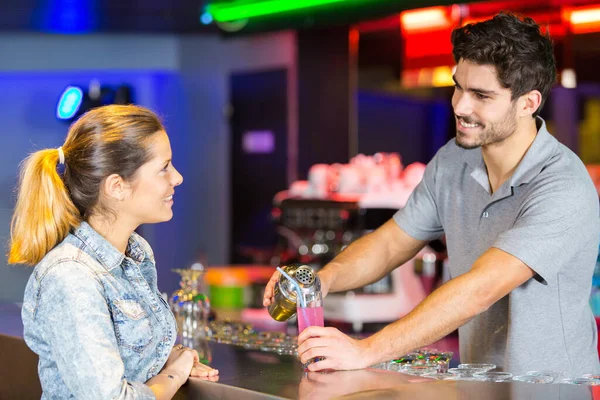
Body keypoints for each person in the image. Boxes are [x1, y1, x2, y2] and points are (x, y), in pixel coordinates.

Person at [264, 12, 600, 377]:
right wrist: (322, 280)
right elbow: (392, 243)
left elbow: (481, 288)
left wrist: (366, 350)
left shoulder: (562, 185)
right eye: (459, 86)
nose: (460, 106)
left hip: (551, 390)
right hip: (478, 383)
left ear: (528, 103)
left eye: (481, 95)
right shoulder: (454, 160)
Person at [8, 105, 218, 399]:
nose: (177, 178)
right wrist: (174, 373)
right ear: (117, 187)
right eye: (164, 168)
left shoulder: (136, 252)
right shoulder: (70, 277)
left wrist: (170, 355)